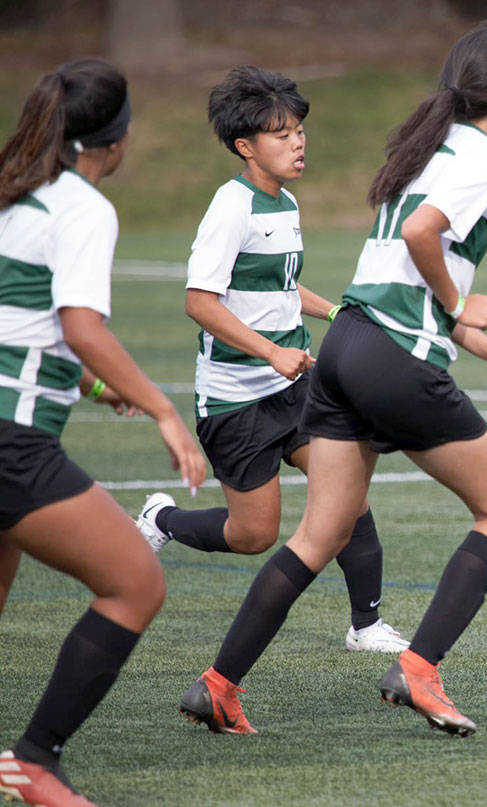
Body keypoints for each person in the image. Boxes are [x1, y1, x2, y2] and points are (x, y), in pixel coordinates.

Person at [176, 21, 487, 739]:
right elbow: (421, 238)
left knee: (320, 533)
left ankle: (217, 684)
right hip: (393, 360)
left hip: (346, 342)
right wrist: (462, 305)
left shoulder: (424, 146)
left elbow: (397, 277)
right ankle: (420, 667)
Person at [132, 66, 406, 653]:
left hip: (296, 388)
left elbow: (281, 287)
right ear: (245, 146)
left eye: (299, 129)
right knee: (254, 534)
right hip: (236, 398)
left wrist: (337, 313)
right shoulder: (232, 208)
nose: (298, 141)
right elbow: (200, 302)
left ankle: (366, 625)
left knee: (349, 492)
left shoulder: (286, 203)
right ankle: (163, 520)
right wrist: (271, 351)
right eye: (281, 134)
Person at [0, 58, 206, 807]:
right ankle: (35, 761)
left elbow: (18, 329)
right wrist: (158, 405)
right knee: (134, 581)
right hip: (12, 442)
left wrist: (92, 386)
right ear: (115, 139)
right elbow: (79, 325)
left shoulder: (14, 195)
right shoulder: (83, 208)